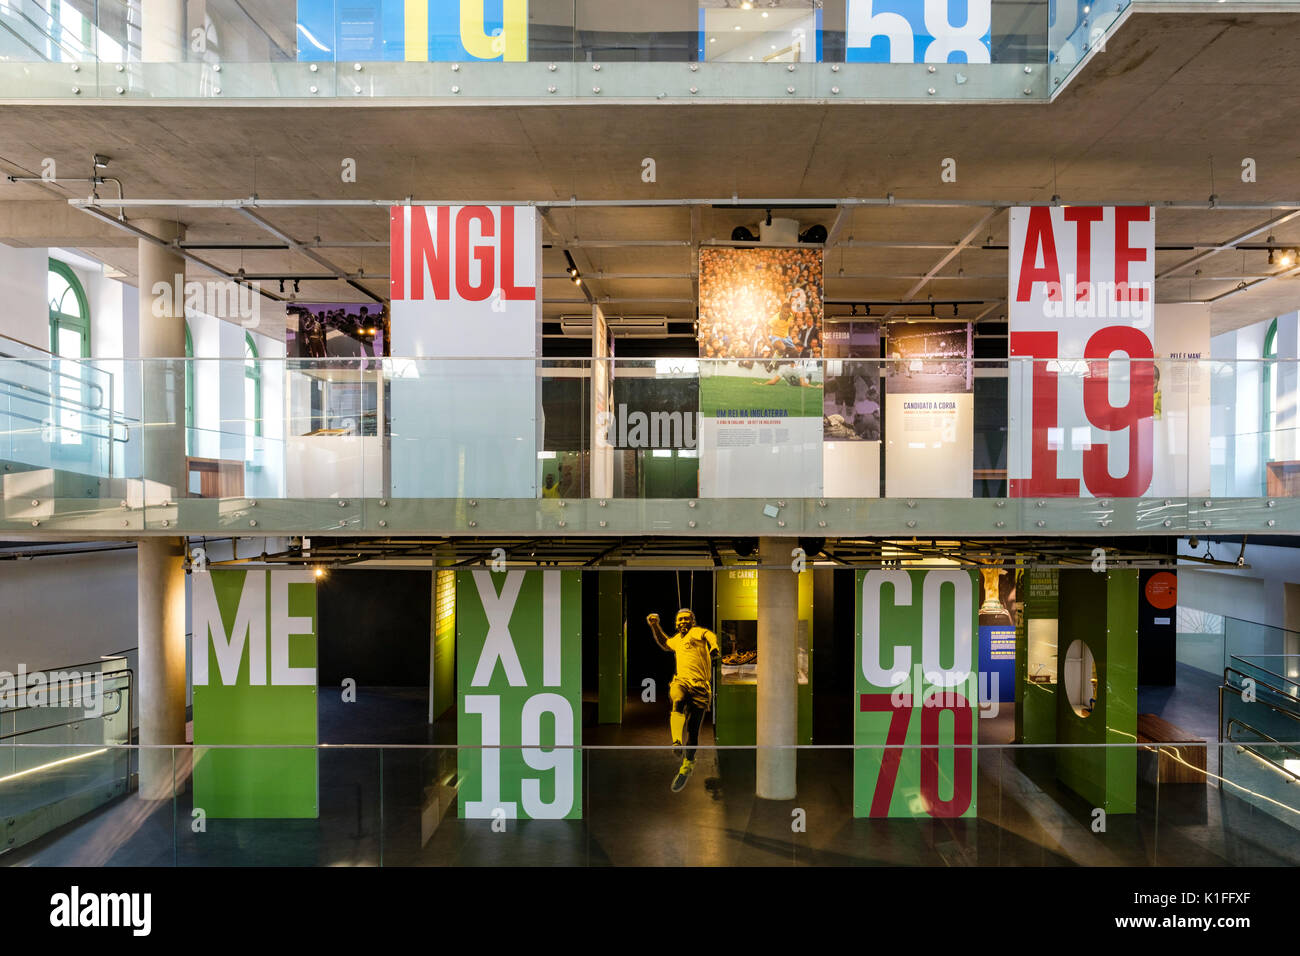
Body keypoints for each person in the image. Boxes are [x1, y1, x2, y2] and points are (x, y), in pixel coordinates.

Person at [646, 608, 719, 792]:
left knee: (693, 731)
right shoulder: (677, 640)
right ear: (676, 623)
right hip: (682, 681)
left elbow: (710, 636)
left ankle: (686, 767)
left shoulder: (697, 632)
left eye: (687, 619)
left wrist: (714, 647)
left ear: (692, 621)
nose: (683, 622)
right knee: (677, 697)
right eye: (680, 620)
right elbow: (664, 643)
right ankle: (676, 741)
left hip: (701, 687)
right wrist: (655, 626)